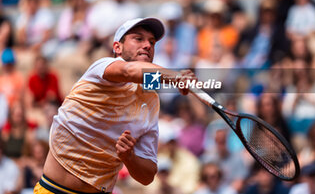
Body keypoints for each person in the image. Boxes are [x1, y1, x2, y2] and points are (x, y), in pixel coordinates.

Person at [35, 17, 197, 193]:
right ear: (117, 48)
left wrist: (129, 157)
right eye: (138, 39)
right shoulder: (102, 67)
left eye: (152, 42)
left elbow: (148, 175)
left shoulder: (150, 101)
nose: (148, 45)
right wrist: (174, 77)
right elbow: (129, 71)